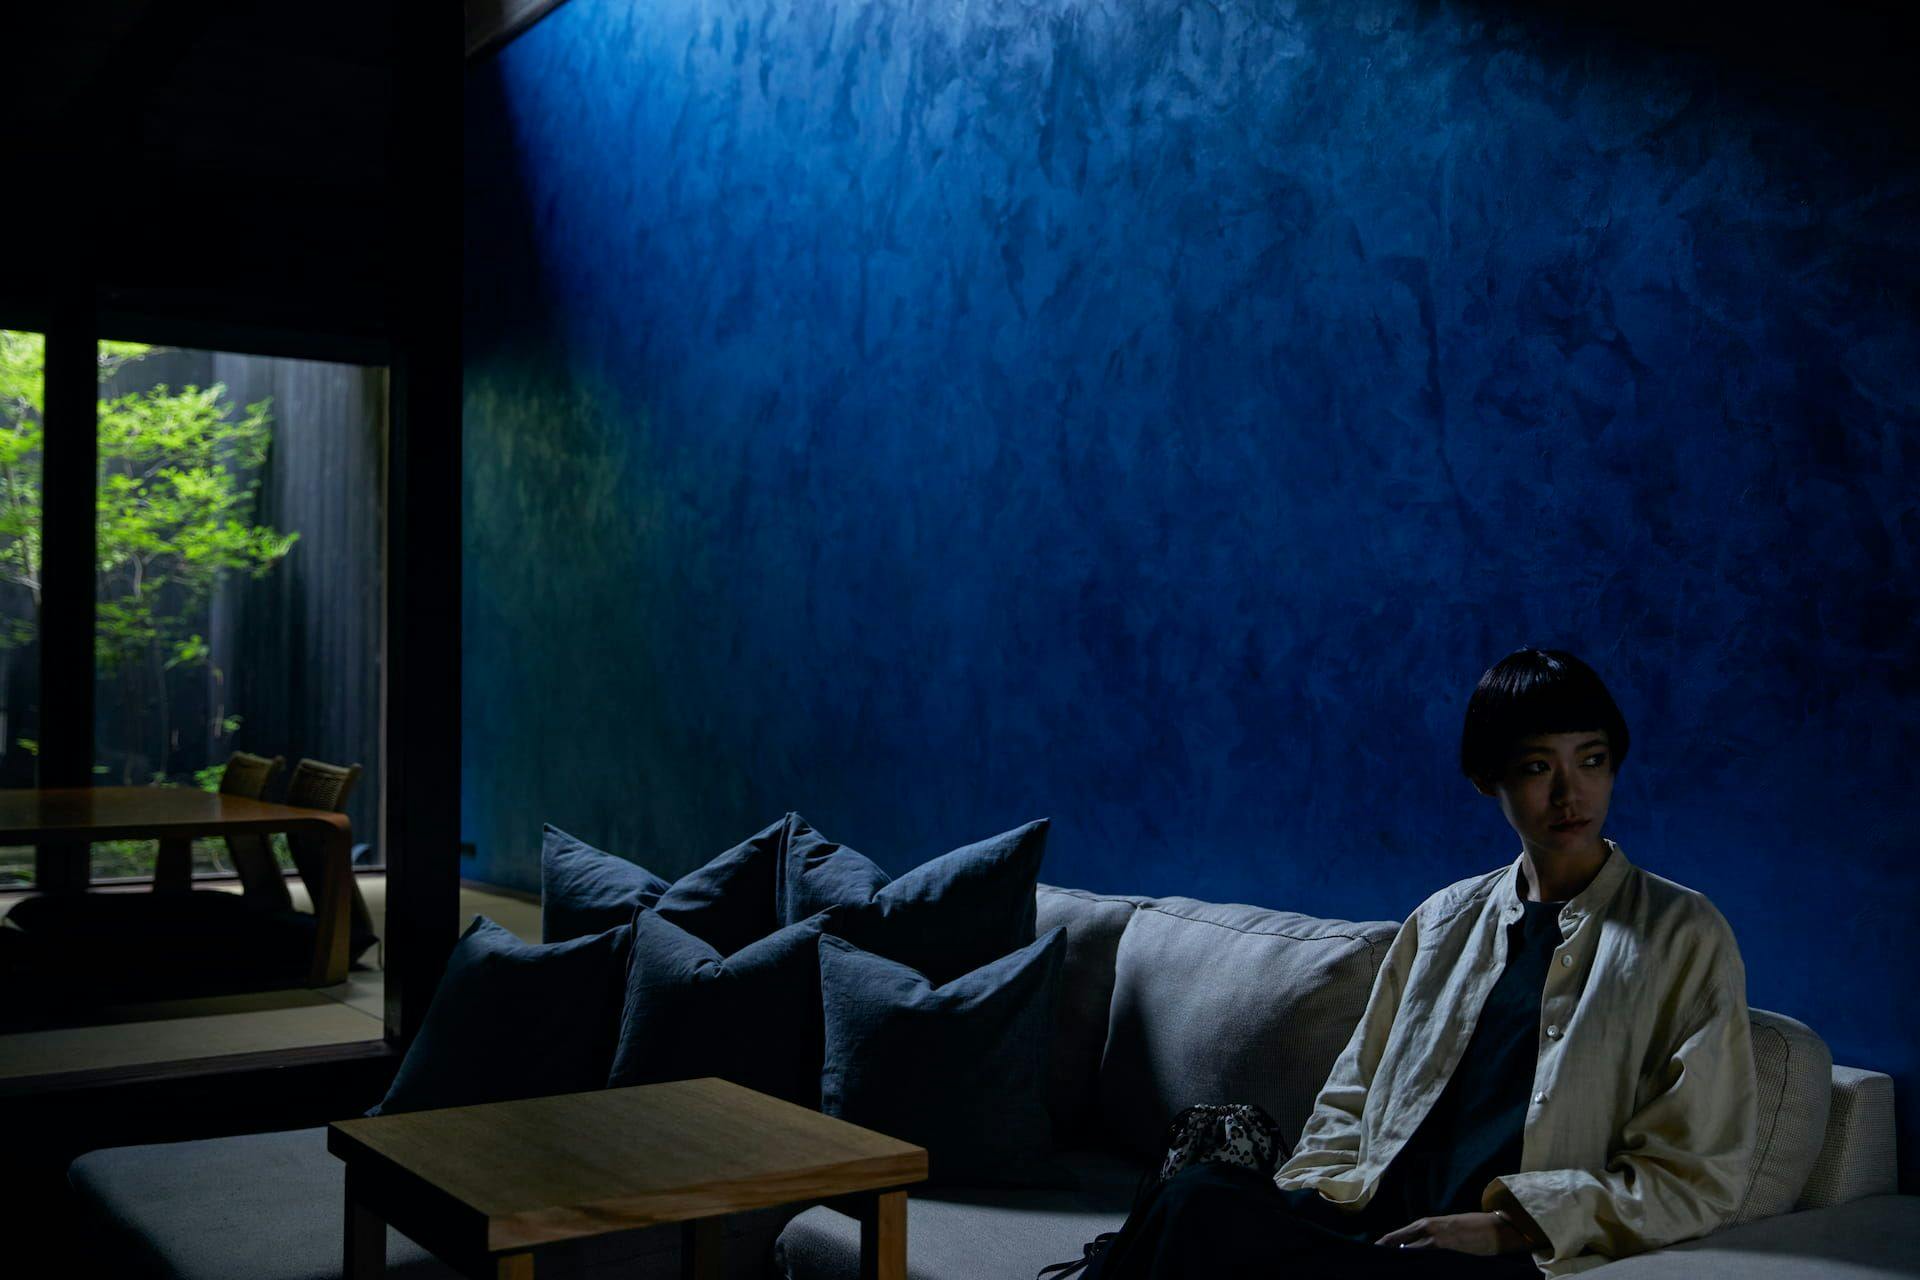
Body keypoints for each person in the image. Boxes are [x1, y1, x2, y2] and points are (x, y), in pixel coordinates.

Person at [1083, 648, 1757, 1279]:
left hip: (1480, 1253)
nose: (1568, 794)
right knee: (1198, 1190)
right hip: (1371, 1229)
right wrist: (1307, 1198)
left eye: (1592, 760)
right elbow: (1350, 1096)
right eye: (1536, 767)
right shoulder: (1443, 920)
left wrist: (1509, 1227)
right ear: (1487, 779)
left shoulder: (1681, 933)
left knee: (1193, 1221)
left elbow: (1694, 1175)